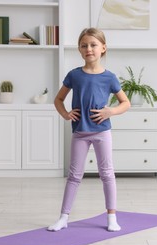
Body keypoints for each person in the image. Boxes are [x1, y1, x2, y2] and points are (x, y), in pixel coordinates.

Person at [47, 28, 131, 232]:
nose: (89, 49)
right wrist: (66, 114)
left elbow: (125, 103)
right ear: (79, 49)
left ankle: (112, 218)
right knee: (74, 176)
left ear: (103, 48)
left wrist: (110, 111)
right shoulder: (74, 75)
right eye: (84, 45)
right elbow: (58, 99)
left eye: (93, 45)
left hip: (102, 132)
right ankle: (63, 217)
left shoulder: (109, 77)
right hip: (80, 133)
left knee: (107, 174)